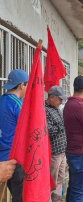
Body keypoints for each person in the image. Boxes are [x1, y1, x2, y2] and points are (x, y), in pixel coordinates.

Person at [0, 69, 28, 202]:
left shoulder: (2, 100)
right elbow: (29, 128)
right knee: (21, 197)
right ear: (22, 85)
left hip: (2, 159)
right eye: (27, 85)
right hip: (15, 158)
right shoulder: (17, 104)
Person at [45, 86, 68, 202]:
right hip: (53, 151)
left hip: (62, 150)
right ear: (52, 97)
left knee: (61, 177)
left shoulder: (57, 108)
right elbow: (48, 130)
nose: (61, 102)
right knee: (52, 179)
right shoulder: (44, 109)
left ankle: (57, 199)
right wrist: (61, 126)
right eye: (60, 99)